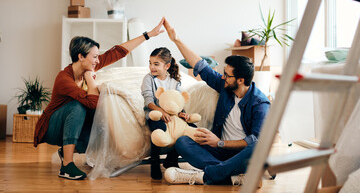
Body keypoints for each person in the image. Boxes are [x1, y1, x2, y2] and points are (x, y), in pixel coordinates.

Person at [34, 18, 165, 180]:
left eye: (98, 57)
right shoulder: (64, 79)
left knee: (101, 120)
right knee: (78, 106)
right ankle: (67, 166)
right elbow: (93, 102)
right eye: (95, 57)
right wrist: (90, 79)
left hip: (71, 123)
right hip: (52, 127)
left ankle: (67, 151)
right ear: (81, 57)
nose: (98, 61)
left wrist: (148, 35)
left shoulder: (89, 65)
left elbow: (118, 52)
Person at [162, 18, 271, 185]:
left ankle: (204, 176)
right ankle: (229, 174)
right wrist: (176, 39)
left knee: (258, 148)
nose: (222, 77)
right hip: (219, 151)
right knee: (183, 141)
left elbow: (255, 141)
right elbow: (201, 66)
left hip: (240, 153)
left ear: (240, 80)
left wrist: (220, 142)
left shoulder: (260, 104)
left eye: (227, 75)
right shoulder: (226, 87)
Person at [141, 47, 192, 180]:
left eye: (156, 64)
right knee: (160, 129)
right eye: (150, 63)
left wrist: (182, 113)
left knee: (191, 129)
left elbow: (178, 101)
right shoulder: (149, 79)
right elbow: (149, 102)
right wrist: (161, 111)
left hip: (172, 115)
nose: (152, 67)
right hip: (155, 114)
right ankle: (155, 161)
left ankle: (172, 159)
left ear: (167, 66)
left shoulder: (175, 81)